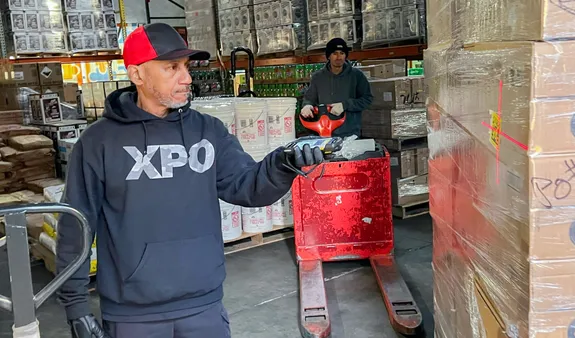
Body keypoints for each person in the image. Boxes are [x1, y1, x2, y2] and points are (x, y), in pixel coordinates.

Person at [56, 23, 324, 338]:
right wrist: (75, 309)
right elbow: (76, 225)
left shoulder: (208, 131)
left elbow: (248, 187)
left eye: (186, 66)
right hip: (133, 315)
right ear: (137, 75)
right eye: (171, 67)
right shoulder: (98, 142)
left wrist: (282, 164)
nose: (186, 78)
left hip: (204, 308)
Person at [300, 38, 373, 138]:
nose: (338, 57)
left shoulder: (357, 76)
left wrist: (345, 105)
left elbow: (367, 99)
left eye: (342, 53)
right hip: (323, 133)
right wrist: (307, 106)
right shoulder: (318, 77)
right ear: (328, 56)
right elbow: (309, 98)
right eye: (334, 53)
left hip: (350, 134)